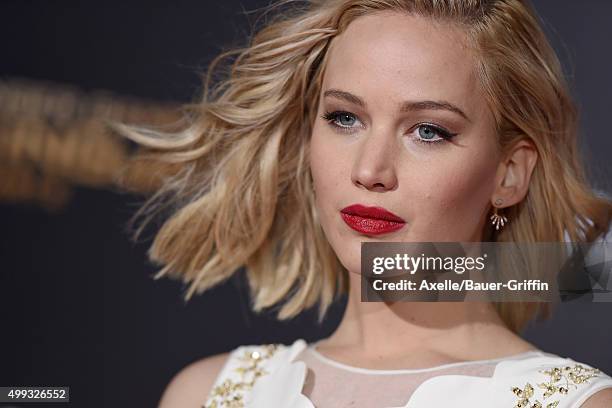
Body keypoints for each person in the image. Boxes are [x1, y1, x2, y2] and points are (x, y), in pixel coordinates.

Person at [116, 0, 612, 406]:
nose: (370, 170)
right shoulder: (206, 394)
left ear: (509, 174)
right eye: (344, 118)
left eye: (428, 131)